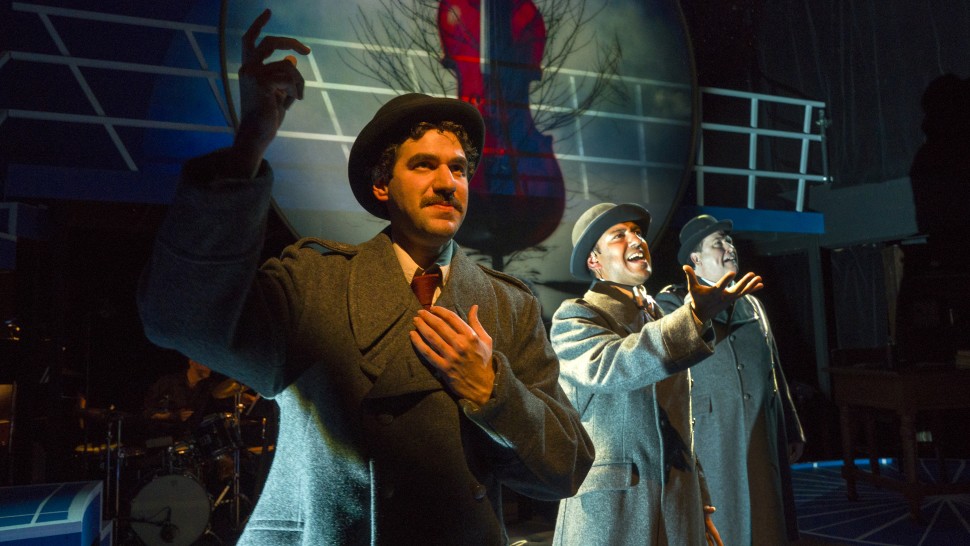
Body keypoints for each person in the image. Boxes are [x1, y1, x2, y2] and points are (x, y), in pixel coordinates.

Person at [137, 9, 593, 545]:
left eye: (459, 169)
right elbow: (181, 318)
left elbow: (565, 469)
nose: (449, 183)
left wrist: (493, 390)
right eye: (424, 165)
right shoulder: (314, 282)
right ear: (382, 186)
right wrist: (249, 146)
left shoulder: (508, 306)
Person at [550, 202, 763, 546]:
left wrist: (701, 499)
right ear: (595, 261)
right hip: (615, 509)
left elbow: (680, 421)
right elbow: (611, 366)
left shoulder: (656, 319)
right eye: (618, 235)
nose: (635, 239)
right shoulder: (575, 317)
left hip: (677, 504)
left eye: (636, 232)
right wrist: (693, 317)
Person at [656, 214, 806, 545]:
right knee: (723, 523)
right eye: (717, 243)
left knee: (769, 521)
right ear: (695, 259)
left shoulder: (752, 303)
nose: (729, 248)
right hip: (713, 438)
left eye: (730, 241)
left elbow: (773, 367)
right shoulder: (673, 305)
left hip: (760, 434)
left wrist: (791, 426)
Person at [143, 358, 215, 427]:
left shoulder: (205, 388)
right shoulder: (168, 382)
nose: (210, 367)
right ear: (192, 362)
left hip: (187, 436)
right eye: (206, 362)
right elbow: (147, 412)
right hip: (161, 435)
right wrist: (171, 416)